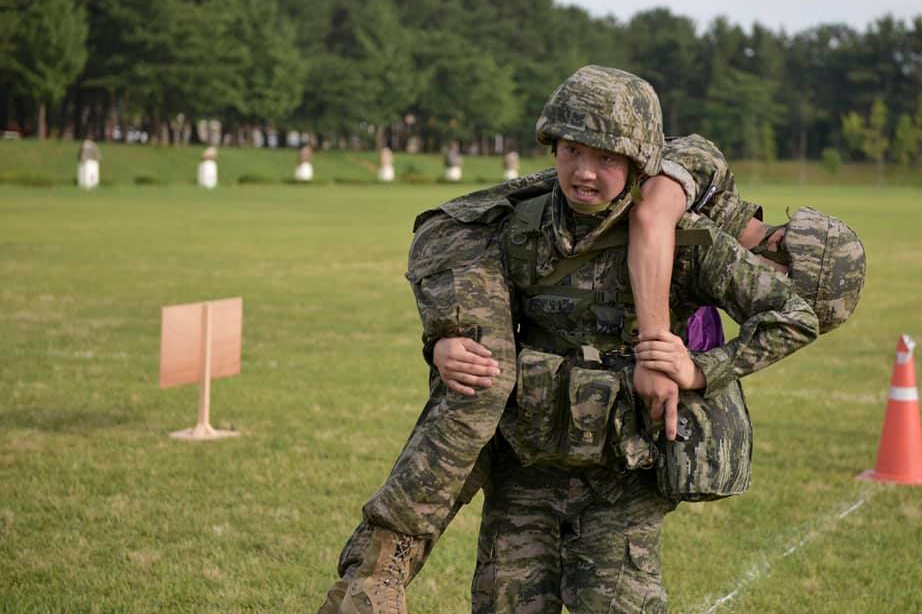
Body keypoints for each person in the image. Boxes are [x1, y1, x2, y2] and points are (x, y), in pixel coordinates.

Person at [314, 66, 864, 613]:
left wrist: (700, 369)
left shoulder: (690, 244)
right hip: (525, 469)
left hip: (621, 481)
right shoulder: (514, 227)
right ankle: (378, 571)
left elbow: (792, 315)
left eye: (606, 159)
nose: (585, 172)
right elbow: (459, 286)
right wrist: (442, 342)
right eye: (572, 151)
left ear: (638, 165)